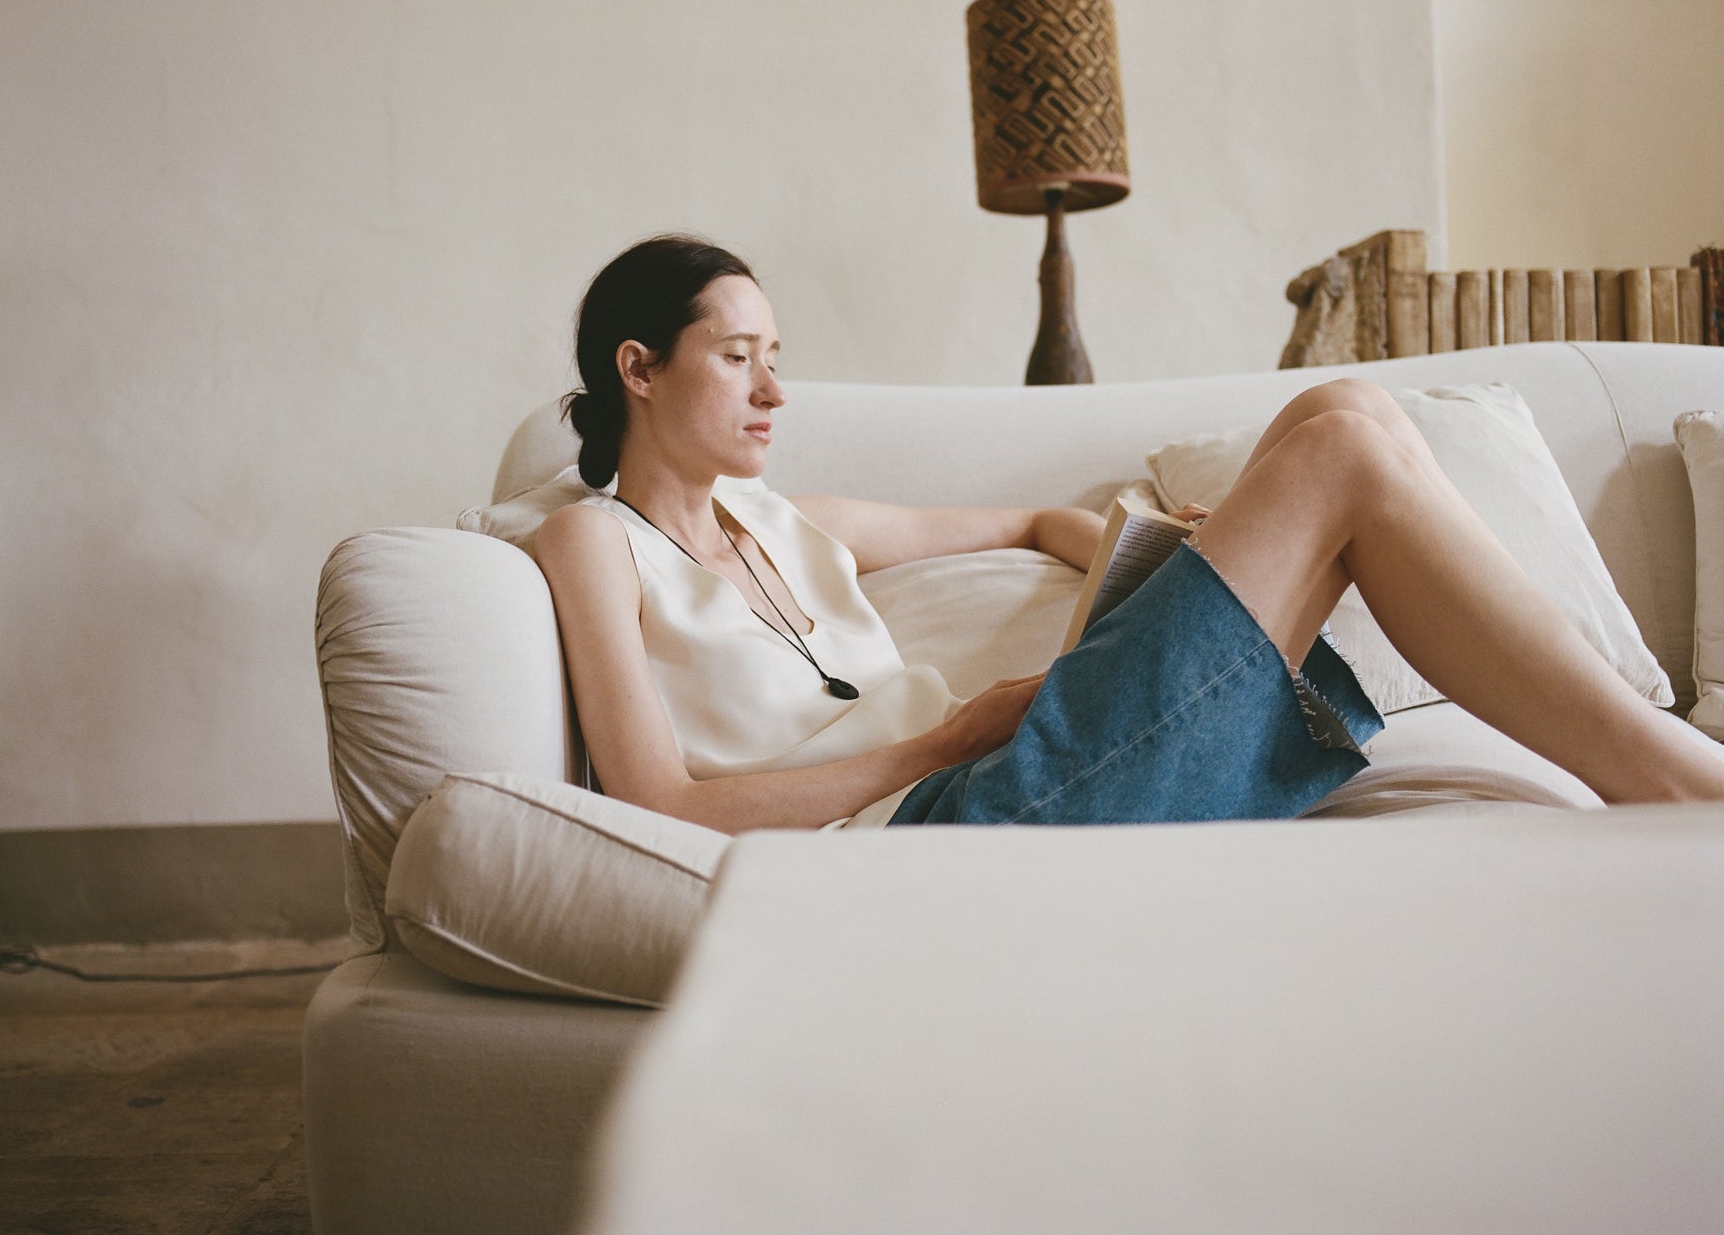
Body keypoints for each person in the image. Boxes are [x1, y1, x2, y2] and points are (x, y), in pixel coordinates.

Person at [535, 235, 1724, 835]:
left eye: (776, 360)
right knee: (1340, 446)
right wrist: (936, 741)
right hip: (948, 819)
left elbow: (1018, 518)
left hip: (1022, 754)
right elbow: (654, 806)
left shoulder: (792, 522)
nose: (773, 392)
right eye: (738, 359)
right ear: (638, 369)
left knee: (1334, 411)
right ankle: (1674, 774)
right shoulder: (592, 544)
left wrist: (1140, 552)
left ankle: (1659, 766)